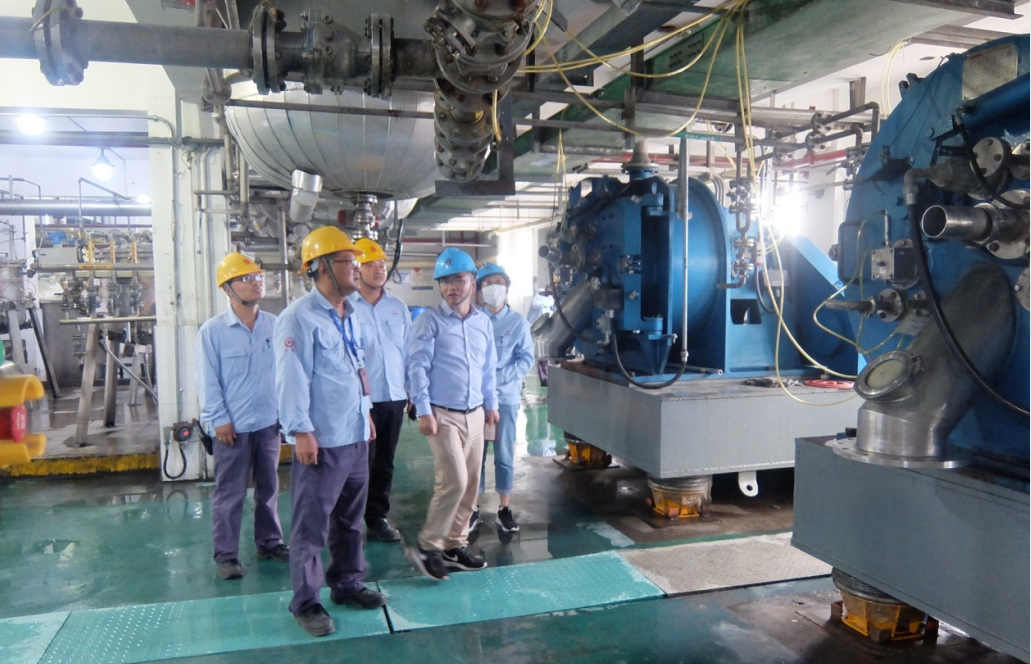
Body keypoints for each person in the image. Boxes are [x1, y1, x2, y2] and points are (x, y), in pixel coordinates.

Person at [274, 226, 385, 637]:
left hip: (354, 434)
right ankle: (306, 602)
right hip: (321, 441)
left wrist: (366, 413)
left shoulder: (350, 314)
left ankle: (348, 584)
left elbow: (355, 369)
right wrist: (300, 431)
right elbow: (291, 378)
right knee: (310, 527)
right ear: (321, 267)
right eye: (348, 262)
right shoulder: (298, 318)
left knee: (351, 521)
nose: (357, 268)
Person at [405, 247, 499, 580]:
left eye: (458, 279)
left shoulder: (483, 322)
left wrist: (491, 404)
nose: (451, 287)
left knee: (471, 484)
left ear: (473, 281)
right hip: (442, 415)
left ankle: (454, 546)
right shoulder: (429, 321)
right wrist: (423, 411)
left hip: (475, 413)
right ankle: (428, 545)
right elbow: (416, 368)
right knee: (454, 481)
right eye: (444, 281)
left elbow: (488, 368)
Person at [195, 252, 288, 581]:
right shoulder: (213, 331)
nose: (256, 282)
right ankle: (226, 555)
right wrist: (218, 418)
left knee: (269, 487)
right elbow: (207, 380)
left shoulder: (275, 326)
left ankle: (270, 542)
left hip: (268, 423)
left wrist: (286, 417)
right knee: (230, 493)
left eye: (258, 277)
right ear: (227, 288)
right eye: (246, 278)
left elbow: (285, 375)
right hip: (231, 427)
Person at [348, 238, 410, 543]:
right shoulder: (347, 308)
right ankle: (350, 520)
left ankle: (376, 518)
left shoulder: (398, 307)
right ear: (356, 270)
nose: (378, 269)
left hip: (394, 397)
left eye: (382, 264)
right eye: (370, 264)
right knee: (360, 463)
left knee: (385, 461)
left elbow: (408, 352)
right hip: (362, 399)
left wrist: (411, 391)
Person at [473, 262, 534, 533]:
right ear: (479, 290)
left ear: (507, 287)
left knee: (504, 454)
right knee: (475, 455)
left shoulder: (518, 322)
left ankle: (504, 509)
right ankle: (473, 508)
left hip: (506, 398)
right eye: (487, 283)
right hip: (475, 400)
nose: (493, 287)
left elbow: (526, 359)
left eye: (498, 282)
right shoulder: (473, 319)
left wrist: (497, 378)